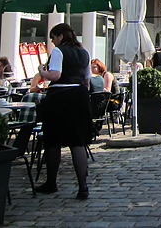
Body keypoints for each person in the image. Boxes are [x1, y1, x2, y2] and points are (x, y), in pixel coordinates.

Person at [35, 23, 91, 200]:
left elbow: (56, 75)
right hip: (80, 96)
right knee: (78, 141)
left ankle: (51, 182)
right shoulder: (84, 53)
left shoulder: (59, 51)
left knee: (53, 140)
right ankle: (83, 186)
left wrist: (42, 71)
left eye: (53, 37)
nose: (52, 41)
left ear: (60, 36)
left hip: (60, 96)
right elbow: (87, 79)